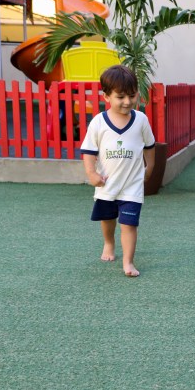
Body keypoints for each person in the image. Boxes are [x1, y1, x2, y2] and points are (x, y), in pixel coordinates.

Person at [80, 65, 156, 277]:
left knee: (129, 224)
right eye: (120, 97)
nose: (127, 101)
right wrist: (92, 174)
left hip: (132, 186)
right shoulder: (98, 122)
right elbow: (89, 152)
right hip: (107, 185)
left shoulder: (141, 120)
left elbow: (150, 147)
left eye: (132, 95)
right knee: (108, 219)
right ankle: (109, 243)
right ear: (106, 96)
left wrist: (150, 168)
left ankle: (128, 262)